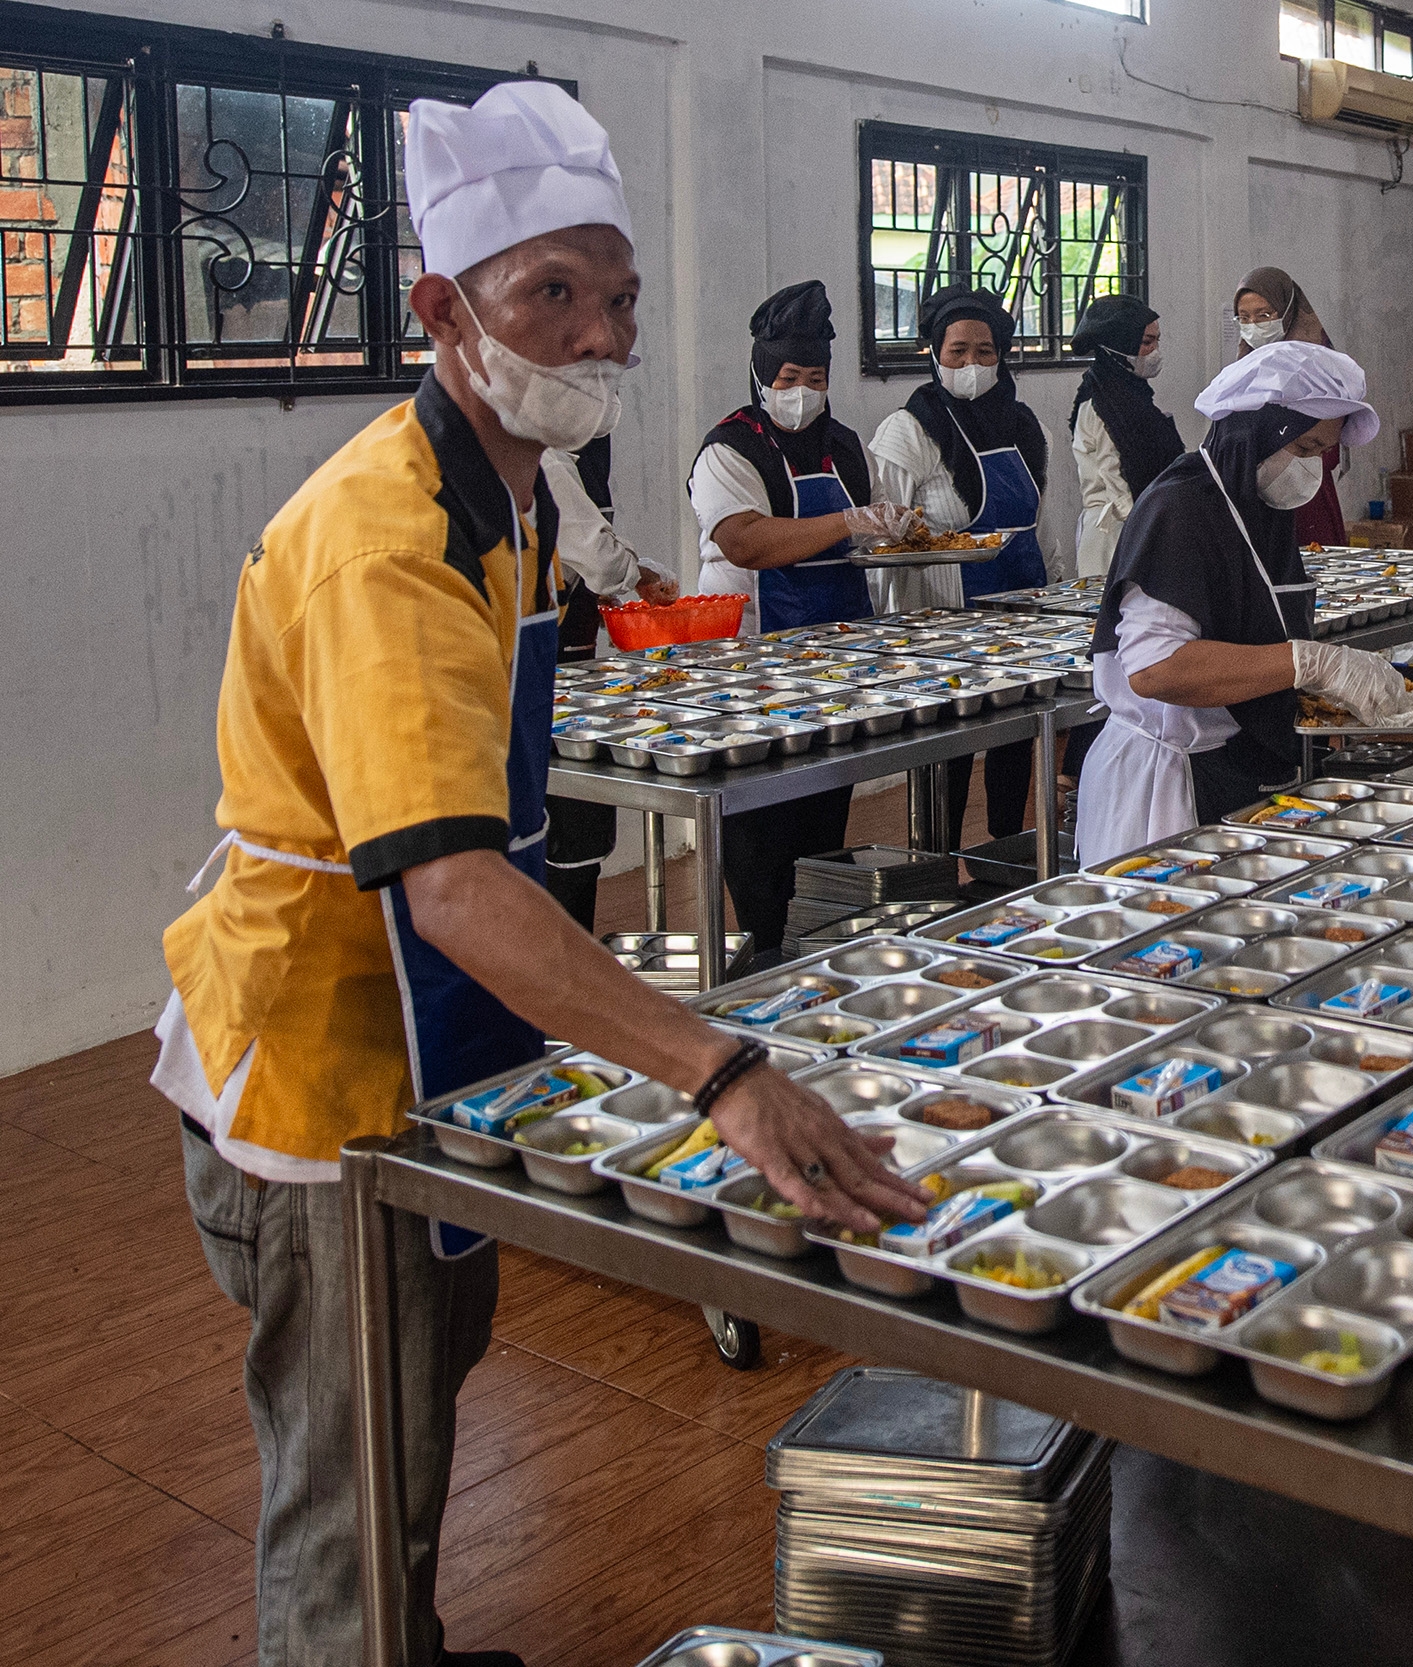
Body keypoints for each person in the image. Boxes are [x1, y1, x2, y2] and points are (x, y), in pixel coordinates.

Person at [149, 84, 926, 1667]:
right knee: (349, 1482)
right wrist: (721, 1068)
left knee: (415, 1416)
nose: (595, 334)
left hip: (421, 1036)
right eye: (548, 295)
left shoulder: (500, 487)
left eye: (619, 297)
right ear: (443, 309)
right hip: (318, 1057)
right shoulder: (389, 535)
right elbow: (446, 885)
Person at [1074, 341, 1413, 863]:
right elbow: (1156, 670)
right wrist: (1310, 663)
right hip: (1171, 781)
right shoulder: (1183, 508)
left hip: (1234, 766)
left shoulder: (1257, 504)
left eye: (1323, 454)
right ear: (1259, 432)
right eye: (1305, 449)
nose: (1312, 468)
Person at [687, 280, 916, 963]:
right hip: (754, 676)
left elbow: (867, 530)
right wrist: (845, 522)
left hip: (840, 671)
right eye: (789, 377)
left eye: (815, 378)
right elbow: (746, 542)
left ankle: (813, 960)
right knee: (762, 839)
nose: (802, 390)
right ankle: (760, 962)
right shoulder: (728, 450)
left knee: (820, 838)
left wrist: (889, 530)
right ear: (762, 376)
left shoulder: (845, 445)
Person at [868, 286, 1052, 852]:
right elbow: (883, 542)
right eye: (958, 352)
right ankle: (937, 861)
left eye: (985, 351)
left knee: (1016, 738)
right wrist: (887, 630)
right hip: (944, 618)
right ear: (934, 354)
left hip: (1021, 610)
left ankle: (1009, 853)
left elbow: (1045, 518)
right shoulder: (908, 431)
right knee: (951, 746)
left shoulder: (1022, 424)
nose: (972, 364)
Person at [542, 433, 678, 930]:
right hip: (541, 670)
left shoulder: (577, 459)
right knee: (564, 830)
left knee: (574, 830)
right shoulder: (544, 458)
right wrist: (637, 575)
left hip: (570, 664)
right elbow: (597, 557)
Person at [1062, 292, 1184, 808]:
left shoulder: (1134, 398)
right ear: (1118, 348)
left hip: (1137, 531)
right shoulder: (1101, 405)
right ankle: (1082, 772)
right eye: (1147, 343)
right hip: (1116, 537)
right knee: (1113, 657)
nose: (1155, 352)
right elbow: (1121, 486)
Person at [1234, 267, 1348, 547]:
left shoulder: (1318, 365)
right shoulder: (1243, 368)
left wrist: (1295, 449)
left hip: (1305, 492)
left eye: (1264, 315)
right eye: (1244, 318)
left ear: (1288, 312)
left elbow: (1328, 442)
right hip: (1254, 498)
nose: (1254, 326)